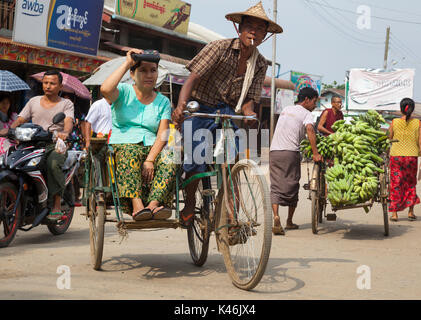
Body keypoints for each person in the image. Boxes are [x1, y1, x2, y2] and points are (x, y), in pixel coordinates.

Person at [171, 1, 283, 226]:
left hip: (228, 113)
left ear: (264, 35)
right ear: (239, 29)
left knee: (233, 161)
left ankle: (232, 217)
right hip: (201, 108)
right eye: (249, 26)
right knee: (196, 158)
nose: (254, 31)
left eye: (260, 29)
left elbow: (250, 99)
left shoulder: (260, 64)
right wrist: (181, 106)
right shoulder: (218, 48)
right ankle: (190, 201)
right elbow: (192, 79)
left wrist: (250, 114)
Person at [101, 49, 176, 221]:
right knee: (130, 152)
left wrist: (150, 159)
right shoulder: (123, 92)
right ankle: (137, 206)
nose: (149, 75)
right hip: (123, 145)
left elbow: (162, 135)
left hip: (152, 148)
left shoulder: (163, 101)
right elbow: (105, 89)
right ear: (133, 74)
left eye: (153, 70)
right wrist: (128, 62)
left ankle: (153, 205)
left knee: (172, 156)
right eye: (143, 70)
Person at [0, 70, 74, 220]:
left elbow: (68, 121)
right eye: (45, 83)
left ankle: (56, 205)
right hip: (32, 142)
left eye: (52, 83)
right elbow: (20, 119)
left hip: (54, 144)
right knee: (10, 161)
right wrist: (10, 131)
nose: (48, 86)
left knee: (53, 164)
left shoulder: (66, 103)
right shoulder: (33, 101)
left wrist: (65, 133)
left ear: (60, 86)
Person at [270, 87, 322, 235]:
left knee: (276, 185)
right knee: (292, 184)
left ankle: (276, 215)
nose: (315, 105)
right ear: (306, 100)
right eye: (314, 102)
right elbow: (310, 130)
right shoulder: (306, 114)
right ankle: (289, 221)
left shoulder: (286, 109)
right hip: (290, 152)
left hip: (274, 151)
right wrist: (315, 153)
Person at [388, 98, 421, 222]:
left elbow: (389, 138)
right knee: (410, 184)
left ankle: (394, 214)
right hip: (411, 158)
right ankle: (410, 212)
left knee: (396, 184)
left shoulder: (394, 122)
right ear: (412, 109)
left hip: (396, 157)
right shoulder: (418, 123)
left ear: (400, 108)